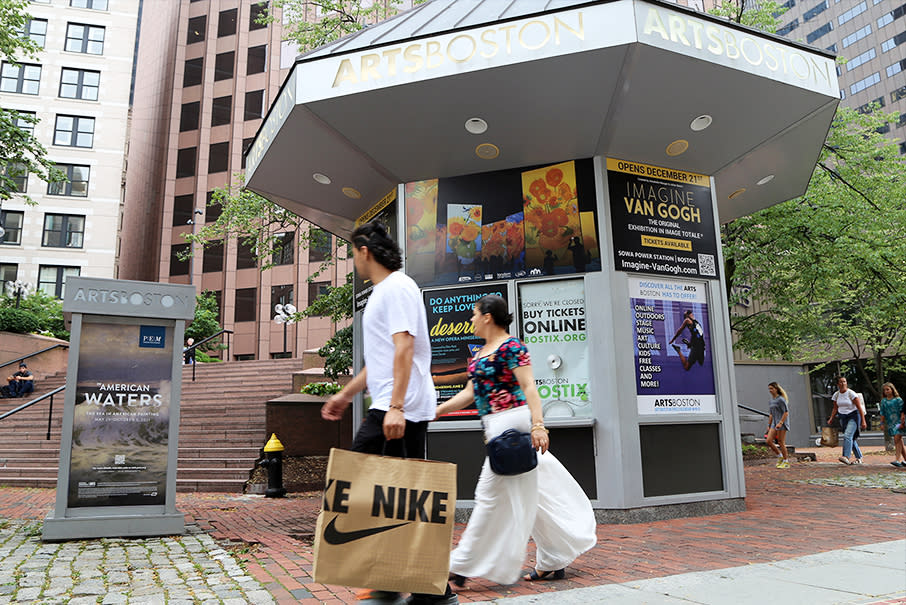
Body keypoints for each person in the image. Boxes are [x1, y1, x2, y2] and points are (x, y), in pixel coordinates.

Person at [320, 221, 457, 605]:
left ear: (365, 250)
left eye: (352, 253)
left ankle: (402, 583)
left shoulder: (395, 287)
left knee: (357, 479)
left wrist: (395, 407)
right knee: (402, 496)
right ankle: (422, 588)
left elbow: (404, 348)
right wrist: (346, 395)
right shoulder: (387, 291)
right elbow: (380, 361)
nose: (352, 261)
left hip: (401, 408)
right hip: (397, 405)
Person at [435, 294, 596, 588]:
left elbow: (528, 386)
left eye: (474, 314)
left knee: (488, 496)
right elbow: (471, 393)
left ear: (487, 316)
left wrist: (539, 425)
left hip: (513, 427)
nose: (470, 319)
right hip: (495, 428)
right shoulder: (482, 352)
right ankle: (553, 559)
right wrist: (439, 411)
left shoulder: (512, 347)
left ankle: (459, 565)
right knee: (534, 498)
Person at [827, 376, 866, 465]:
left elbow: (859, 408)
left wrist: (863, 421)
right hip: (843, 417)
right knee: (850, 438)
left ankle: (846, 456)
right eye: (841, 382)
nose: (843, 383)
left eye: (844, 381)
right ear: (838, 384)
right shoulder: (836, 395)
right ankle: (859, 457)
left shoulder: (851, 394)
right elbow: (835, 408)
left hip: (853, 416)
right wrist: (831, 418)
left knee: (847, 436)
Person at [878, 382, 905, 468]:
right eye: (885, 390)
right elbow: (882, 413)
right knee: (899, 441)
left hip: (898, 422)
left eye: (888, 389)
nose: (886, 391)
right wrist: (882, 423)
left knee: (897, 438)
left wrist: (902, 422)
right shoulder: (884, 401)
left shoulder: (898, 400)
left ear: (892, 390)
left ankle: (897, 459)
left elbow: (902, 412)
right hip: (890, 423)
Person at [765, 382, 791, 469]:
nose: (770, 390)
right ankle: (780, 456)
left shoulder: (781, 400)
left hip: (782, 423)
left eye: (771, 388)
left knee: (781, 442)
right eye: (769, 389)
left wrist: (780, 423)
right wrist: (769, 425)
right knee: (768, 441)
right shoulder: (771, 401)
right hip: (774, 424)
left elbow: (786, 412)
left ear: (776, 389)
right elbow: (771, 414)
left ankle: (786, 461)